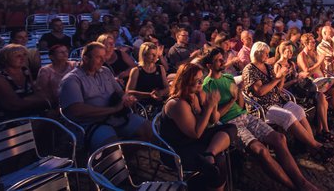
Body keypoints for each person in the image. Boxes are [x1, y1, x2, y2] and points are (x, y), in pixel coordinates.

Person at [202, 49, 319, 191]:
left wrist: (238, 93)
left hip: (244, 115)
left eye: (222, 58)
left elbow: (240, 105)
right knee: (261, 151)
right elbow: (214, 118)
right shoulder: (207, 86)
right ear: (209, 65)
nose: (222, 62)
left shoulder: (228, 78)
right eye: (218, 60)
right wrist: (232, 99)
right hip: (229, 124)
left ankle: (302, 182)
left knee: (280, 139)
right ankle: (293, 186)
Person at [242, 42, 334, 162]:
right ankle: (316, 146)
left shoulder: (267, 66)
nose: (267, 55)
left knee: (299, 110)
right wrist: (277, 78)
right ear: (257, 53)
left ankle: (311, 147)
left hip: (278, 99)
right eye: (265, 53)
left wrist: (281, 77)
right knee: (288, 116)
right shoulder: (249, 70)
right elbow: (259, 92)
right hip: (263, 106)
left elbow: (278, 88)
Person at [59, 42, 151, 151]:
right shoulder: (71, 80)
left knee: (149, 130)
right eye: (98, 57)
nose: (103, 61)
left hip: (115, 117)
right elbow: (77, 110)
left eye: (104, 57)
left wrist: (127, 99)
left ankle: (125, 158)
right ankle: (116, 160)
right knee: (111, 146)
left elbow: (120, 93)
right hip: (91, 124)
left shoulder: (105, 72)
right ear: (86, 59)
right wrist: (113, 109)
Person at [159, 63, 236, 191]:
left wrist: (214, 105)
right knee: (219, 161)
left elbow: (214, 119)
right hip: (177, 150)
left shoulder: (197, 94)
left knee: (230, 128)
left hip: (194, 142)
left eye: (202, 79)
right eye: (197, 80)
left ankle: (209, 153)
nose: (201, 83)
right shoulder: (177, 104)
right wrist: (209, 107)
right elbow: (196, 133)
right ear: (186, 82)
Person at [274, 41, 334, 143]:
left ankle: (324, 130)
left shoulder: (291, 63)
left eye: (291, 51)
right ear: (282, 51)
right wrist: (294, 80)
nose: (290, 53)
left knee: (321, 97)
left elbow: (295, 77)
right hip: (290, 93)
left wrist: (300, 76)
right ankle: (322, 131)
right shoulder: (278, 66)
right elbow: (279, 88)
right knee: (320, 98)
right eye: (288, 51)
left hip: (300, 88)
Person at [0, 44, 51, 120]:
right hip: (3, 118)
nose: (23, 58)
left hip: (28, 111)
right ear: (5, 59)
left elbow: (35, 93)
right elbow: (14, 105)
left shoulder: (25, 70)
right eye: (17, 56)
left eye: (24, 55)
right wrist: (45, 101)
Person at [126, 42, 169, 109]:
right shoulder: (136, 70)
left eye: (155, 54)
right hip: (145, 105)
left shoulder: (160, 68)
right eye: (151, 54)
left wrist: (161, 93)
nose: (155, 57)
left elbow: (167, 87)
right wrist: (149, 94)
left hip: (161, 101)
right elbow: (129, 91)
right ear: (144, 55)